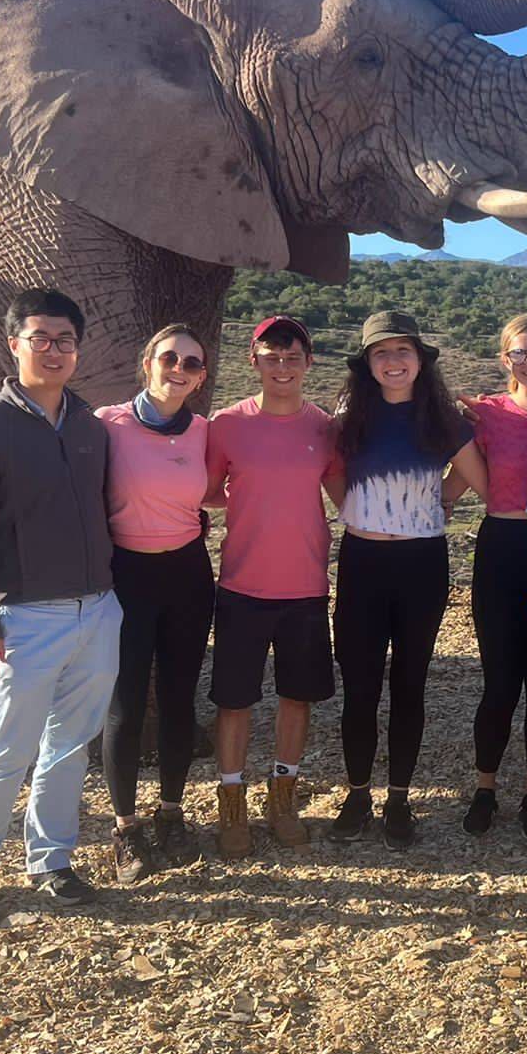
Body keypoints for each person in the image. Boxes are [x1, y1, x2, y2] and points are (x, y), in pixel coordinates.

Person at [0, 289, 121, 932]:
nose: (53, 350)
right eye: (40, 338)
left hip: (97, 612)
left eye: (65, 340)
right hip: (22, 620)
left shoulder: (88, 427)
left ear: (79, 350)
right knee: (7, 751)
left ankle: (51, 861)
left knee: (70, 746)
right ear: (13, 344)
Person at [330, 311, 488, 849]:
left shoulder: (442, 419)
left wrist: (444, 498)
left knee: (410, 683)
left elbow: (479, 477)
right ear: (367, 364)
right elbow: (332, 474)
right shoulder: (350, 415)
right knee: (359, 684)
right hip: (361, 562)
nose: (393, 361)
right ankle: (357, 794)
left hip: (421, 565)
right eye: (381, 353)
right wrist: (360, 510)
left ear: (420, 360)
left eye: (403, 351)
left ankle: (398, 798)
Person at [204, 316, 339, 858]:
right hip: (241, 584)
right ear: (253, 362)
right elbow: (209, 490)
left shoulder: (325, 428)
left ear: (309, 363)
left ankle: (283, 797)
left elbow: (350, 494)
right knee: (234, 700)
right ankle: (231, 800)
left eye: (292, 357)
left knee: (296, 696)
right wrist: (254, 509)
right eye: (271, 356)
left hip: (305, 586)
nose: (281, 367)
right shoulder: (227, 425)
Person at [95, 324, 213, 882]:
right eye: (169, 358)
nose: (179, 369)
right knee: (124, 703)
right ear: (148, 363)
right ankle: (125, 828)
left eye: (191, 364)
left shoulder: (204, 433)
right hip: (127, 577)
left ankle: (171, 813)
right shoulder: (107, 425)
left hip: (189, 575)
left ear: (201, 377)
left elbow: (221, 491)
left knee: (178, 699)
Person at [457, 314, 527, 841]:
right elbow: (449, 484)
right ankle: (484, 790)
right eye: (519, 353)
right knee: (500, 680)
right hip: (501, 552)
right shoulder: (485, 414)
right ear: (505, 360)